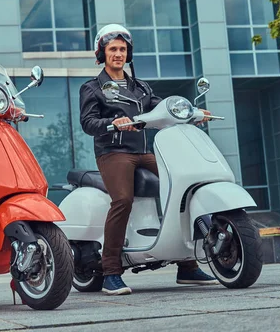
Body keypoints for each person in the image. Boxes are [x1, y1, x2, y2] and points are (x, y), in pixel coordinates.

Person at [79, 23, 218, 295]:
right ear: (102, 53)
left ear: (128, 53)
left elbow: (164, 109)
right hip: (114, 152)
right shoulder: (92, 87)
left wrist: (192, 112)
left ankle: (188, 266)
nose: (118, 53)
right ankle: (110, 272)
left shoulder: (140, 87)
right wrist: (113, 122)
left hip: (144, 152)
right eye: (112, 49)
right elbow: (88, 122)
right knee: (122, 200)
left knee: (182, 189)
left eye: (122, 49)